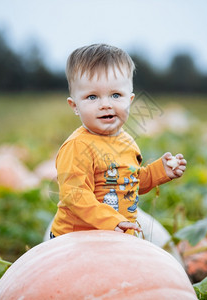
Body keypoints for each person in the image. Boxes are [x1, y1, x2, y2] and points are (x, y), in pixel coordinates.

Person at [50, 43, 186, 237]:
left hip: (115, 235)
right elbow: (76, 196)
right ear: (75, 106)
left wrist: (160, 172)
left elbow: (129, 184)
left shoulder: (127, 142)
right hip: (77, 239)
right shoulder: (78, 146)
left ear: (129, 100)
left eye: (115, 95)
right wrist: (112, 221)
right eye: (92, 97)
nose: (105, 104)